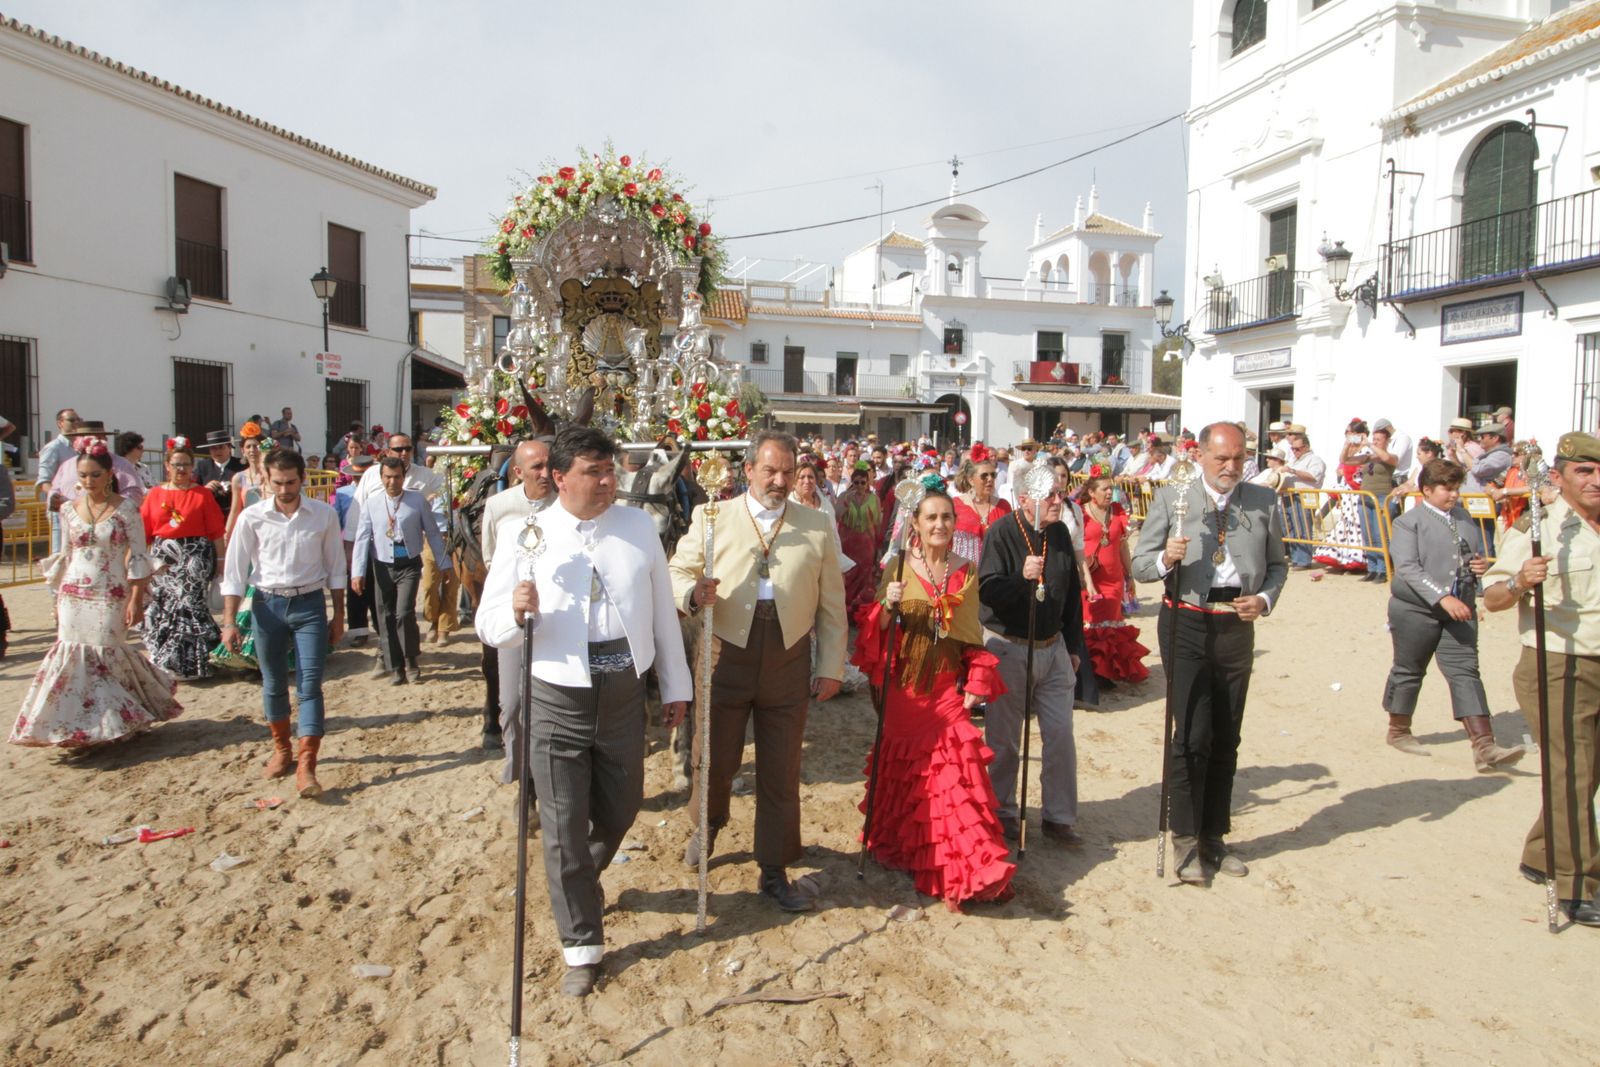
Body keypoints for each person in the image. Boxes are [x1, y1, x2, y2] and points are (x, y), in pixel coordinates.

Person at [476, 426, 691, 995]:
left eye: (610, 470)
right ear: (561, 477)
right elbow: (488, 623)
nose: (606, 481)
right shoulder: (528, 535)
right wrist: (515, 614)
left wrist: (676, 684)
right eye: (594, 472)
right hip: (555, 691)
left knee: (622, 809)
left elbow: (663, 614)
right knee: (563, 825)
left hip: (622, 689)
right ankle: (582, 945)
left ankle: (578, 880)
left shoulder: (638, 526)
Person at [671, 430, 848, 912]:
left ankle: (774, 866)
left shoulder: (816, 524)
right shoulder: (713, 515)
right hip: (726, 650)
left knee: (781, 767)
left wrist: (831, 665)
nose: (780, 480)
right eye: (770, 470)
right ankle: (707, 824)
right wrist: (692, 595)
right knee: (716, 756)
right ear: (747, 470)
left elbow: (833, 603)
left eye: (788, 472)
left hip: (788, 656)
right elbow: (677, 571)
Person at [1131, 422, 1288, 885]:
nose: (1231, 467)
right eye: (1222, 458)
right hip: (1185, 621)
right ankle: (1184, 839)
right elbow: (1141, 565)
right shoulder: (1172, 497)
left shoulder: (1263, 501)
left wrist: (1264, 599)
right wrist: (1166, 559)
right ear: (1200, 455)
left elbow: (1279, 565)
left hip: (1236, 626)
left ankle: (1215, 837)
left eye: (1239, 457)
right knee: (1192, 735)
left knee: (1226, 735)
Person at [852, 485, 1014, 909]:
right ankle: (908, 848)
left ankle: (970, 870)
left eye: (946, 517)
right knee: (911, 775)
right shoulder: (899, 566)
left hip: (944, 689)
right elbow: (876, 630)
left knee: (956, 779)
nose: (940, 524)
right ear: (916, 525)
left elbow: (971, 635)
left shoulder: (966, 570)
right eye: (931, 518)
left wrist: (977, 681)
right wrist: (887, 606)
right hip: (905, 691)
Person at [1483, 431, 1600, 927]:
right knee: (1571, 771)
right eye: (1584, 471)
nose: (1595, 480)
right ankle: (1576, 884)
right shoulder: (1539, 527)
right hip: (1558, 663)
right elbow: (1491, 597)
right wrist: (1519, 581)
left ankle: (1540, 853)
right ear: (1559, 476)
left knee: (1585, 772)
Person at [10, 441, 181, 748]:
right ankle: (80, 728)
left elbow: (140, 557)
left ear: (109, 474)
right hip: (72, 594)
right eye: (83, 475)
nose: (88, 481)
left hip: (110, 593)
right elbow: (65, 555)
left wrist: (135, 599)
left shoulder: (127, 509)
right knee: (71, 657)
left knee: (106, 653)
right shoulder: (66, 509)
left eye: (95, 474)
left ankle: (118, 720)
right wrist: (56, 600)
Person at [1383, 458, 1525, 769]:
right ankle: (1398, 730)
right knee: (1409, 669)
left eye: (1456, 488)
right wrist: (1442, 597)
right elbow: (1407, 568)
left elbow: (1469, 555)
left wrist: (1479, 567)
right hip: (1415, 609)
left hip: (1460, 607)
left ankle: (1484, 745)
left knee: (1465, 671)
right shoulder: (1408, 523)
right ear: (1427, 490)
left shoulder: (1463, 517)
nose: (1454, 495)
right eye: (1447, 489)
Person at [221, 450, 347, 798]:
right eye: (278, 482)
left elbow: (336, 567)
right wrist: (229, 622)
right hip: (267, 606)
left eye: (291, 481)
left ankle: (308, 761)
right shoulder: (252, 518)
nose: (285, 489)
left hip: (309, 605)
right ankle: (282, 749)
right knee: (273, 682)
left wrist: (339, 615)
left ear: (302, 478)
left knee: (310, 684)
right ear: (265, 479)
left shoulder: (322, 515)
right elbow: (233, 572)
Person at [977, 465, 1086, 844]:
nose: (1059, 501)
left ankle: (1058, 816)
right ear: (1024, 499)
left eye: (1060, 493)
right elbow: (987, 591)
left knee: (1060, 733)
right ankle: (1002, 809)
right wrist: (1018, 579)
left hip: (1053, 647)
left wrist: (1073, 646)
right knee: (1004, 738)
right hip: (1009, 647)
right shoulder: (1001, 533)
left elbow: (1072, 593)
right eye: (1050, 495)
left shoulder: (1059, 532)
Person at [479, 438, 554, 754]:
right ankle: (517, 766)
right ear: (519, 472)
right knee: (511, 704)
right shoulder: (499, 506)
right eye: (537, 467)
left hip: (555, 619)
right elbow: (489, 558)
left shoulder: (565, 505)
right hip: (515, 616)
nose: (546, 473)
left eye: (550, 464)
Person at [352, 456, 452, 685]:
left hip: (409, 564)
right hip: (382, 565)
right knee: (385, 615)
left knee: (404, 613)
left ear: (403, 477)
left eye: (397, 477)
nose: (392, 482)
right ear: (381, 477)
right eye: (387, 477)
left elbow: (433, 533)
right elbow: (361, 538)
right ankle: (394, 666)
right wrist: (357, 572)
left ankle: (411, 661)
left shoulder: (417, 501)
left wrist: (444, 563)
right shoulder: (371, 502)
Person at [140, 444, 226, 680]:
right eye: (176, 464)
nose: (181, 469)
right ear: (167, 466)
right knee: (166, 606)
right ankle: (167, 660)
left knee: (189, 604)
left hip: (195, 557)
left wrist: (220, 560)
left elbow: (216, 532)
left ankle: (195, 663)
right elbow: (144, 532)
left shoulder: (202, 494)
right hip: (163, 559)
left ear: (192, 467)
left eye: (186, 464)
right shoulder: (155, 494)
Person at [1077, 471, 1150, 686]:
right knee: (1092, 625)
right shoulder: (1081, 514)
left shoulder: (1117, 511)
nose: (1110, 493)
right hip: (1090, 577)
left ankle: (1108, 671)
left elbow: (1123, 546)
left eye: (1111, 488)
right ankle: (1093, 672)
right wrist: (1085, 578)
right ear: (1091, 492)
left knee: (1111, 625)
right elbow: (1077, 548)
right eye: (1104, 489)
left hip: (1114, 578)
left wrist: (1129, 575)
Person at [334, 454, 377, 646]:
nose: (360, 481)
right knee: (355, 589)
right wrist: (346, 549)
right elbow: (340, 520)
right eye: (357, 477)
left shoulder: (377, 491)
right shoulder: (343, 493)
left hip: (376, 545)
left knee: (376, 589)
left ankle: (380, 627)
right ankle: (359, 630)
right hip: (353, 544)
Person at [836, 460, 883, 618]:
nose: (860, 486)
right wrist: (846, 502)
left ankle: (860, 611)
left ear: (867, 482)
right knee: (848, 576)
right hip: (848, 542)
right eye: (856, 482)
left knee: (864, 577)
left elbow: (877, 524)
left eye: (863, 482)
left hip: (866, 543)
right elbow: (837, 517)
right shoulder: (844, 496)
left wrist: (877, 547)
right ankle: (846, 609)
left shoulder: (874, 499)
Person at [36, 406, 81, 554]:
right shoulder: (53, 448)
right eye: (72, 420)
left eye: (79, 420)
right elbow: (44, 481)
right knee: (61, 551)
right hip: (61, 507)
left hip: (79, 506)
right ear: (60, 423)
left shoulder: (79, 448)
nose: (76, 423)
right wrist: (59, 498)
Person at [1281, 425, 1326, 569]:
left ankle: (1303, 560)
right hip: (1289, 495)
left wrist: (1293, 471)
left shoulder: (1315, 460)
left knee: (1302, 527)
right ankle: (1296, 557)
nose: (1294, 451)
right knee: (1291, 529)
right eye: (1293, 449)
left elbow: (1313, 476)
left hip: (1305, 496)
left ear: (1306, 447)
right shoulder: (1294, 460)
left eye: (1297, 449)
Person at [952, 455, 1012, 563]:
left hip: (995, 571)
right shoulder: (955, 506)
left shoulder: (1003, 506)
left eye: (993, 475)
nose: (990, 479)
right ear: (971, 480)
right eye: (984, 476)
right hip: (964, 572)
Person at [224, 422, 269, 541]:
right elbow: (235, 510)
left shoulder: (271, 475)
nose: (252, 450)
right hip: (249, 529)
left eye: (256, 446)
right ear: (243, 450)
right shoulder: (239, 478)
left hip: (270, 527)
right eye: (248, 447)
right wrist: (227, 535)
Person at [194, 429, 246, 516]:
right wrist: (205, 489)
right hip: (209, 514)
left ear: (229, 447)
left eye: (221, 447)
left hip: (235, 513)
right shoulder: (203, 466)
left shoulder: (241, 466)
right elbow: (193, 491)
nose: (218, 451)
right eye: (214, 448)